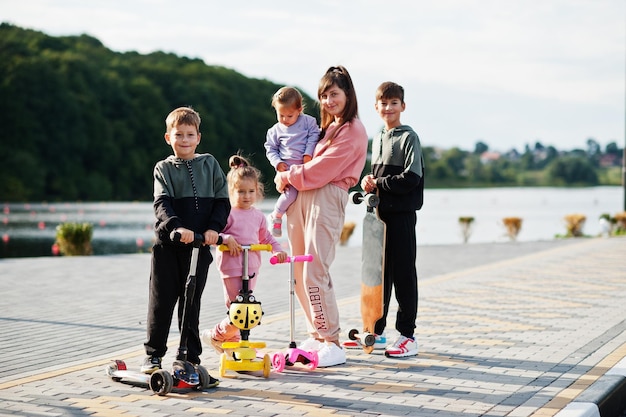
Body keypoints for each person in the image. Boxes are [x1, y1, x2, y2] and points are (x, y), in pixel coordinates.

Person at [274, 65, 368, 367]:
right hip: (303, 196)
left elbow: (323, 169)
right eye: (324, 95)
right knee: (298, 269)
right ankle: (315, 333)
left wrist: (289, 175)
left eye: (334, 94)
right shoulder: (328, 127)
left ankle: (332, 341)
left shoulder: (353, 130)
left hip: (327, 196)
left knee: (315, 269)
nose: (328, 101)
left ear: (348, 94)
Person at [141, 106, 230, 374]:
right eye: (178, 134)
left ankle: (190, 355)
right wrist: (176, 227)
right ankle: (153, 355)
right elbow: (162, 204)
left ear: (198, 137)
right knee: (162, 301)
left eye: (190, 134)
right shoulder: (163, 168)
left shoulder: (210, 164)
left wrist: (214, 229)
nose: (185, 140)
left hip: (200, 246)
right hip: (169, 247)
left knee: (191, 303)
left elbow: (222, 203)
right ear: (168, 138)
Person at [352, 81, 424, 358]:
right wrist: (368, 180)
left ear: (402, 106)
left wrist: (379, 181)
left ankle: (407, 335)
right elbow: (377, 177)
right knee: (379, 275)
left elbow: (411, 178)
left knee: (405, 275)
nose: (388, 107)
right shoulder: (379, 136)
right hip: (379, 216)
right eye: (384, 103)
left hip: (403, 216)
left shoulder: (409, 137)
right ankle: (376, 332)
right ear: (376, 107)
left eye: (394, 103)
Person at [202, 155, 287, 352]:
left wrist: (278, 249)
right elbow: (216, 234)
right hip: (231, 267)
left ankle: (235, 344)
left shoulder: (258, 216)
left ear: (257, 191)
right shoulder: (228, 213)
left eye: (250, 191)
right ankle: (216, 335)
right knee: (239, 309)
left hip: (252, 267)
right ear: (231, 191)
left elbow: (266, 238)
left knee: (247, 308)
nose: (246, 196)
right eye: (241, 191)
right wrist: (226, 240)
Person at [264, 86, 320, 238]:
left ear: (299, 110)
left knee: (309, 198)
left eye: (289, 116)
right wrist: (277, 162)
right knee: (290, 196)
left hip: (305, 165)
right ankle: (276, 215)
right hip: (286, 168)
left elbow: (314, 136)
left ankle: (307, 229)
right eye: (281, 115)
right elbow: (270, 148)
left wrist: (308, 153)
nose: (285, 120)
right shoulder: (275, 130)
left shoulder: (308, 122)